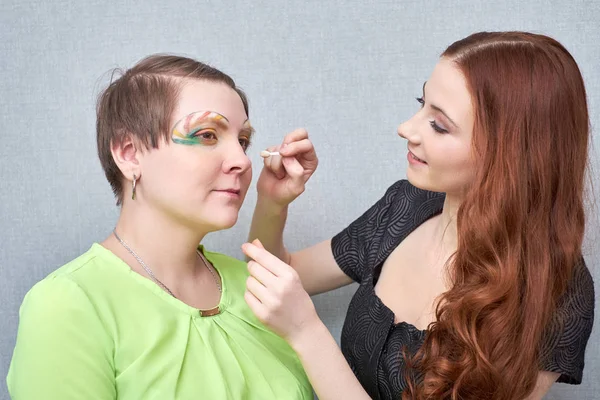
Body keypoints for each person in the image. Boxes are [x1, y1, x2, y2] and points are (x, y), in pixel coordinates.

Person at [242, 31, 595, 400]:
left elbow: (299, 318)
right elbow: (280, 271)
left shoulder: (556, 293)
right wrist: (272, 202)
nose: (406, 129)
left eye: (439, 125)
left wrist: (306, 333)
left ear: (512, 154)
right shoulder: (407, 205)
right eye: (421, 103)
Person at [7, 54, 312, 400]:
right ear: (129, 153)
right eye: (208, 135)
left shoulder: (256, 290)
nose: (242, 161)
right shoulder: (67, 306)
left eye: (242, 140)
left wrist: (272, 206)